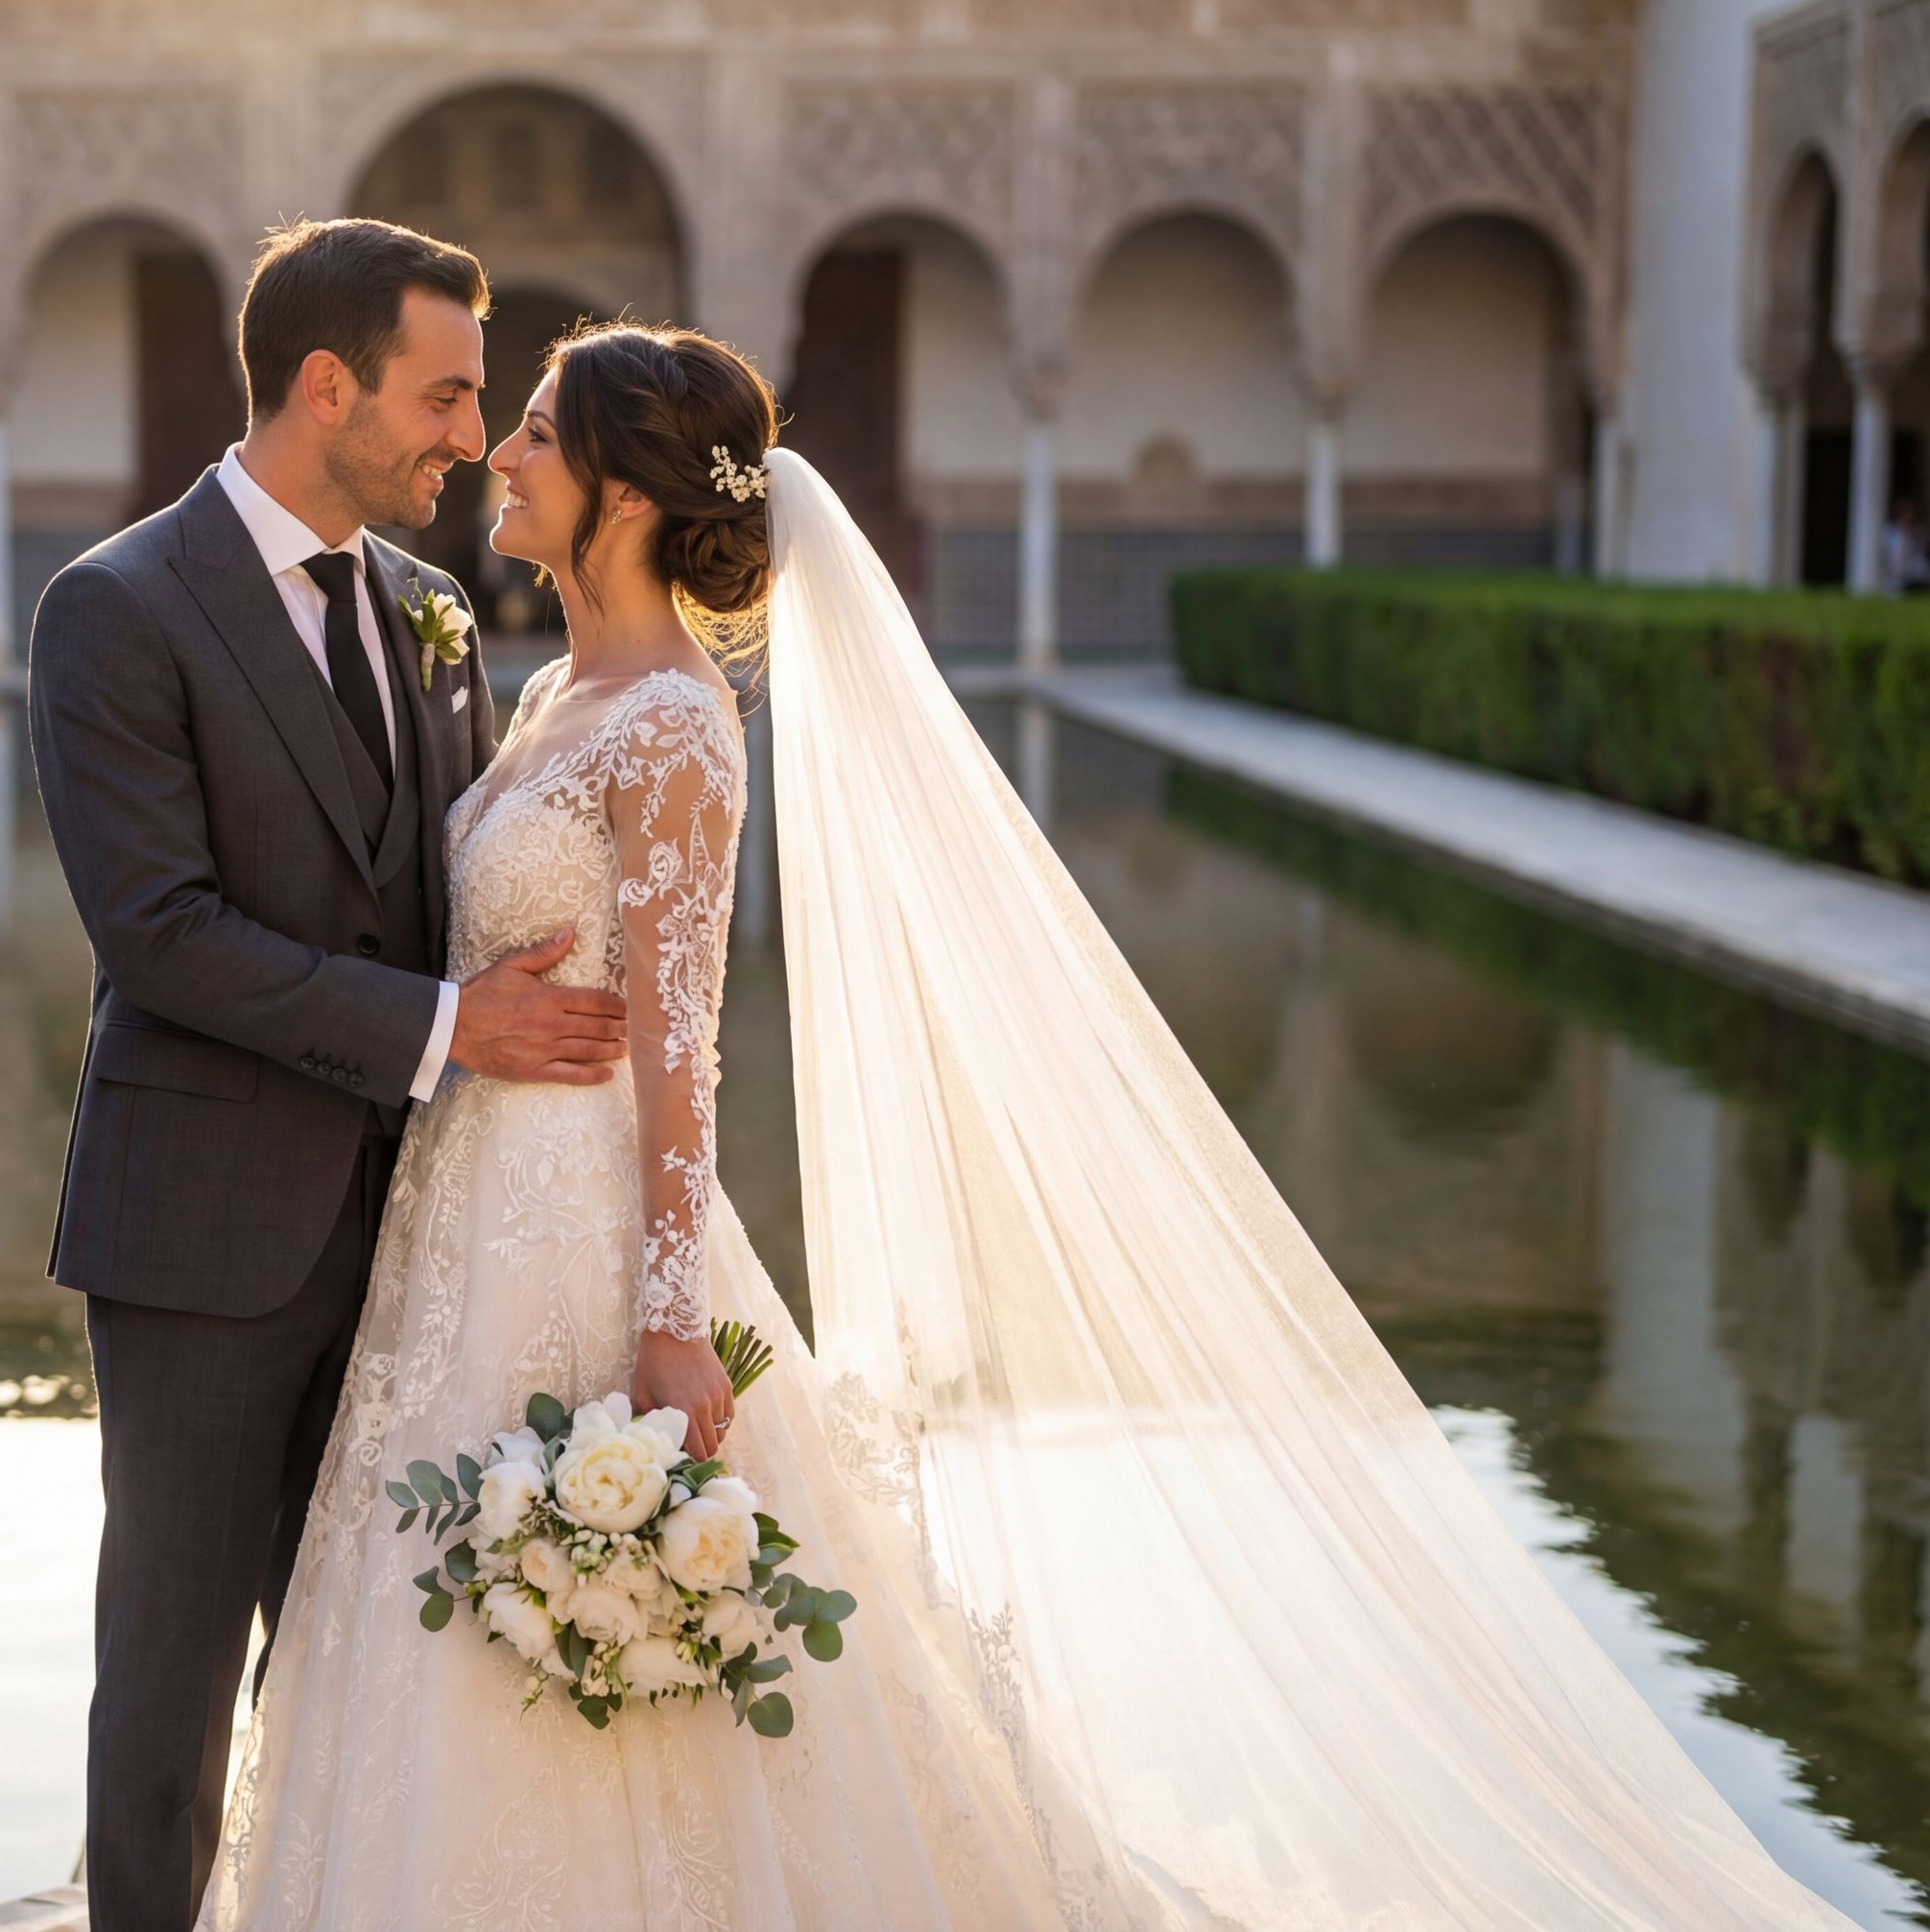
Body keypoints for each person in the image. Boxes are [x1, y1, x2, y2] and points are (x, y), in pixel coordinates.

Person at [196, 322, 1866, 1929]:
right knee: (448, 1594)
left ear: (625, 492)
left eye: (541, 430)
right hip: (462, 1207)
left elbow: (687, 1055)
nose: (502, 449)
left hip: (580, 1227)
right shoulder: (553, 686)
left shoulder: (678, 731)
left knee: (597, 1592)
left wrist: (666, 1314)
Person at [25, 219, 635, 1932]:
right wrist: (452, 1032)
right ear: (324, 385)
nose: (471, 432)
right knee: (166, 1686)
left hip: (417, 1236)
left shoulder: (434, 613)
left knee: (370, 1665)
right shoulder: (119, 607)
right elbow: (161, 931)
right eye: (445, 395)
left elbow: (443, 879)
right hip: (206, 1237)